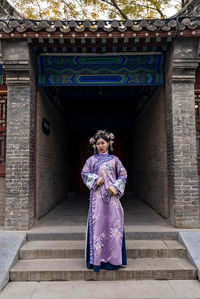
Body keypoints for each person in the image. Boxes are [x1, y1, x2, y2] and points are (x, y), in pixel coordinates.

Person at [81, 129, 127, 272]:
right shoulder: (91, 161)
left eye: (103, 143)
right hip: (97, 200)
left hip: (112, 197)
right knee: (99, 227)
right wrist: (96, 179)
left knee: (113, 227)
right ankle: (98, 260)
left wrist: (115, 187)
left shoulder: (115, 160)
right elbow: (84, 173)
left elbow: (123, 175)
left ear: (108, 143)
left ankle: (114, 260)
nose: (100, 146)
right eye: (97, 144)